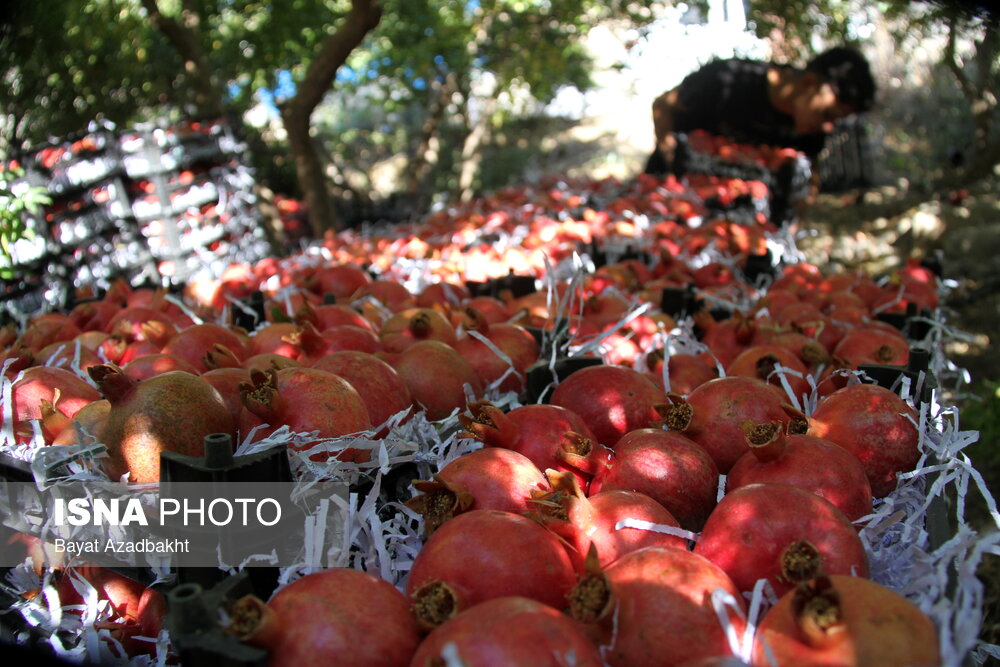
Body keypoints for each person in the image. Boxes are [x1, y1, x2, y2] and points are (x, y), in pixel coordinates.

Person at [644, 46, 877, 183]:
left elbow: (810, 177)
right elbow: (663, 105)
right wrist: (672, 158)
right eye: (828, 114)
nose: (829, 127)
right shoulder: (728, 79)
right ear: (809, 83)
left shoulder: (812, 131)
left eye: (836, 120)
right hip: (665, 196)